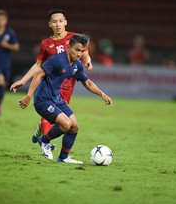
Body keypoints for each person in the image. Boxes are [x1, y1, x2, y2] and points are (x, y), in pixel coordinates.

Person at [18, 34, 112, 164]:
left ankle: (63, 157)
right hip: (43, 100)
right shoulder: (57, 60)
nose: (79, 53)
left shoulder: (77, 65)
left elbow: (87, 83)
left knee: (74, 126)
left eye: (82, 51)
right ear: (69, 47)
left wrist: (102, 94)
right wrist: (29, 96)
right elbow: (39, 75)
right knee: (66, 124)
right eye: (76, 49)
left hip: (56, 98)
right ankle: (44, 141)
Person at [10, 8, 92, 145]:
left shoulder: (73, 38)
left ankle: (41, 132)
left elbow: (84, 52)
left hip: (67, 87)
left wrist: (87, 60)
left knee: (61, 120)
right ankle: (46, 143)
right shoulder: (46, 44)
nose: (58, 24)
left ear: (65, 22)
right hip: (50, 86)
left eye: (60, 21)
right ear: (50, 24)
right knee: (50, 117)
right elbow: (38, 65)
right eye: (54, 22)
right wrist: (23, 81)